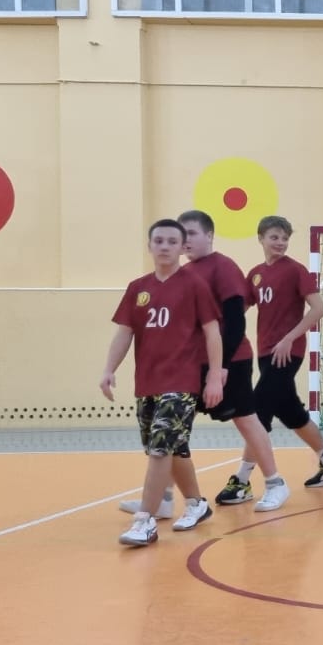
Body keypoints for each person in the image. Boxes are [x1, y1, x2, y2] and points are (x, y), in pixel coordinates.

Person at [102, 218, 223, 546]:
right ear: (150, 246)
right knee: (173, 449)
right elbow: (125, 332)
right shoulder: (138, 288)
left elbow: (212, 331)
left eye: (172, 241)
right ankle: (196, 504)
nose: (165, 246)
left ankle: (145, 521)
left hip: (181, 382)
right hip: (147, 383)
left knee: (160, 449)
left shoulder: (195, 284)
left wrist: (215, 375)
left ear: (182, 247)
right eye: (159, 241)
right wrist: (109, 369)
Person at [178, 210, 290, 512]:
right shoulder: (183, 273)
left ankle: (275, 483)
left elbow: (236, 321)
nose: (185, 240)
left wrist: (221, 366)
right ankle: (162, 497)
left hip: (232, 360)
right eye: (182, 234)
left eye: (192, 233)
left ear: (209, 235)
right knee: (176, 425)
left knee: (247, 420)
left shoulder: (223, 267)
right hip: (193, 363)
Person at [241, 216, 323, 487]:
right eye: (274, 237)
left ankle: (241, 480)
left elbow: (319, 308)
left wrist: (289, 338)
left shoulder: (295, 270)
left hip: (287, 351)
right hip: (265, 351)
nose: (280, 242)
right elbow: (239, 309)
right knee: (290, 411)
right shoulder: (255, 274)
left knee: (259, 410)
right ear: (261, 238)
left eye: (285, 238)